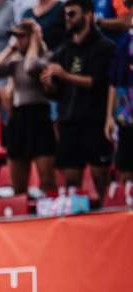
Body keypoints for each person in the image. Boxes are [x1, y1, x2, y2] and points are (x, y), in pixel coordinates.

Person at [39, 0, 116, 200]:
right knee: (71, 183)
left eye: (72, 13)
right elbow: (57, 93)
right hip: (69, 123)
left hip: (95, 121)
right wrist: (49, 85)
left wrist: (65, 75)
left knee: (101, 178)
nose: (68, 18)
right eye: (66, 14)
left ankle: (106, 221)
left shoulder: (105, 46)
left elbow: (99, 83)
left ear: (88, 15)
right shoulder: (62, 50)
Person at [0, 21, 58, 194]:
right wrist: (10, 49)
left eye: (22, 36)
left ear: (32, 37)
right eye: (15, 36)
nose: (18, 40)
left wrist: (34, 43)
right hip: (19, 117)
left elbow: (31, 67)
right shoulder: (14, 62)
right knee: (18, 185)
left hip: (39, 116)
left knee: (48, 181)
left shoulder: (46, 57)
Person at [106, 0, 133, 183]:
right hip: (127, 118)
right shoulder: (125, 44)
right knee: (125, 173)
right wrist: (109, 117)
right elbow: (114, 82)